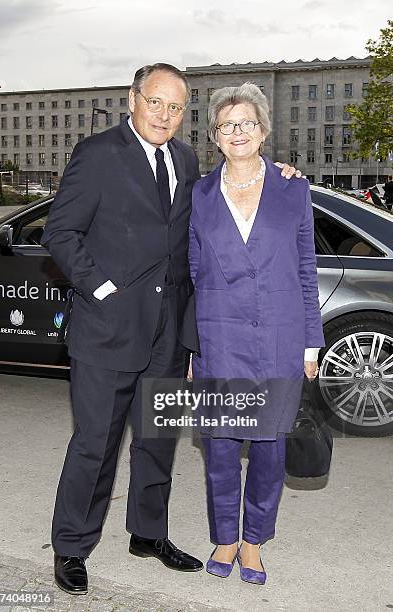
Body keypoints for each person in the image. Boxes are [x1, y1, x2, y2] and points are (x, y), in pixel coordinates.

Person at [42, 64, 301, 595]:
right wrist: (101, 288)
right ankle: (72, 545)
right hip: (107, 329)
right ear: (133, 99)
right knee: (96, 444)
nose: (164, 115)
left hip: (167, 333)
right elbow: (60, 231)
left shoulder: (185, 160)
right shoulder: (97, 154)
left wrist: (282, 173)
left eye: (176, 107)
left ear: (186, 115)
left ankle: (148, 534)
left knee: (157, 440)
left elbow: (213, 219)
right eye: (155, 102)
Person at [188, 83, 325, 585]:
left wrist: (311, 342)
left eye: (246, 122)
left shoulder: (294, 189)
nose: (237, 131)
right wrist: (191, 346)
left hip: (279, 340)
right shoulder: (200, 195)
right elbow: (193, 272)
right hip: (219, 339)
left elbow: (306, 270)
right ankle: (225, 535)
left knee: (269, 449)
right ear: (215, 139)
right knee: (221, 446)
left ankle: (253, 542)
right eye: (227, 125)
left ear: (263, 131)